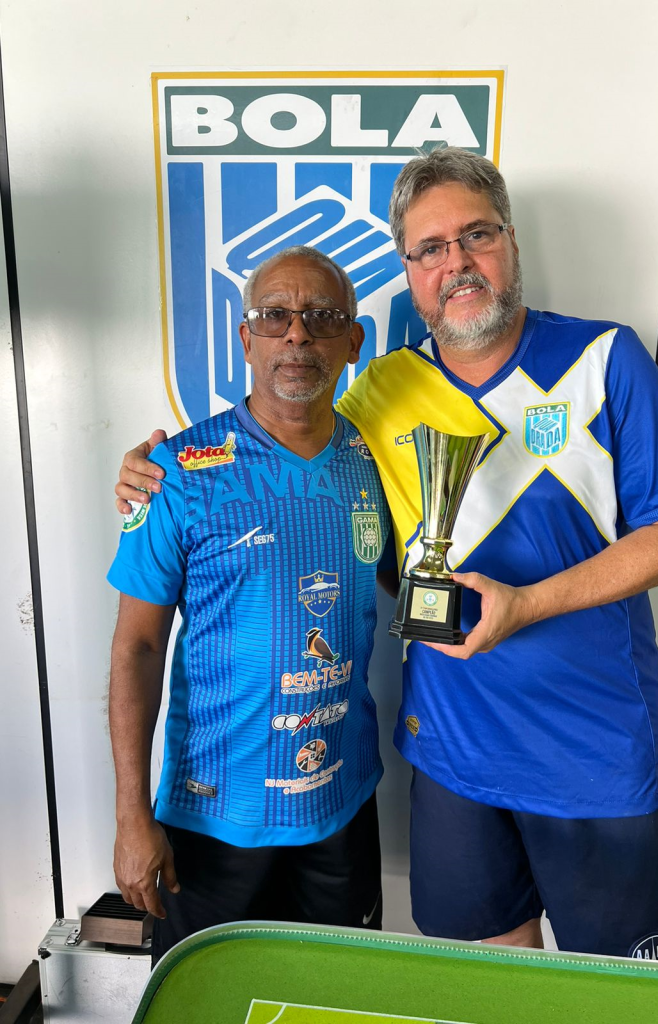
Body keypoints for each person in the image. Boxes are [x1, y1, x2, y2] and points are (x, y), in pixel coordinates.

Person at [115, 148, 658, 962]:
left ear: (511, 241)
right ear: (409, 271)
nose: (455, 262)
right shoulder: (375, 394)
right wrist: (149, 473)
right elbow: (298, 459)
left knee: (619, 1000)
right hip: (449, 760)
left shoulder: (606, 359)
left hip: (590, 756)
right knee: (482, 982)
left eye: (477, 235)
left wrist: (529, 604)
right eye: (430, 248)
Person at [108, 247, 394, 965]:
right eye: (274, 316)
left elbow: (412, 581)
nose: (297, 334)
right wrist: (131, 816)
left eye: (322, 317)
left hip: (341, 806)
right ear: (245, 338)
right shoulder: (175, 472)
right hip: (215, 818)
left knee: (337, 1005)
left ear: (353, 341)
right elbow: (137, 648)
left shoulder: (379, 462)